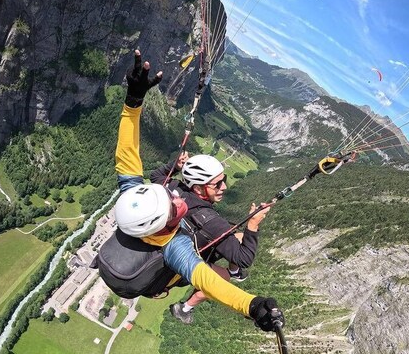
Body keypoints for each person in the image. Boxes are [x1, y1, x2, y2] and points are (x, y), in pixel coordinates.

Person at [94, 50, 283, 333]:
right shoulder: (174, 246)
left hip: (128, 257)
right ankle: (190, 304)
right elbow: (208, 281)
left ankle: (216, 281)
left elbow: (126, 154)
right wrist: (252, 306)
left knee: (232, 242)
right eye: (173, 210)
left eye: (168, 197)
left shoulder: (135, 196)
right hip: (157, 279)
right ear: (163, 225)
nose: (177, 202)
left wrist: (133, 103)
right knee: (225, 269)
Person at [150, 154, 270, 324]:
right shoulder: (210, 221)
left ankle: (234, 272)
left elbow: (156, 177)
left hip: (181, 244)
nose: (224, 187)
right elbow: (244, 258)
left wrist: (175, 166)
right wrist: (253, 224)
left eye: (224, 180)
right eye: (217, 184)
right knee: (223, 278)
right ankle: (184, 308)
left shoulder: (176, 189)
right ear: (198, 189)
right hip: (180, 266)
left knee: (239, 236)